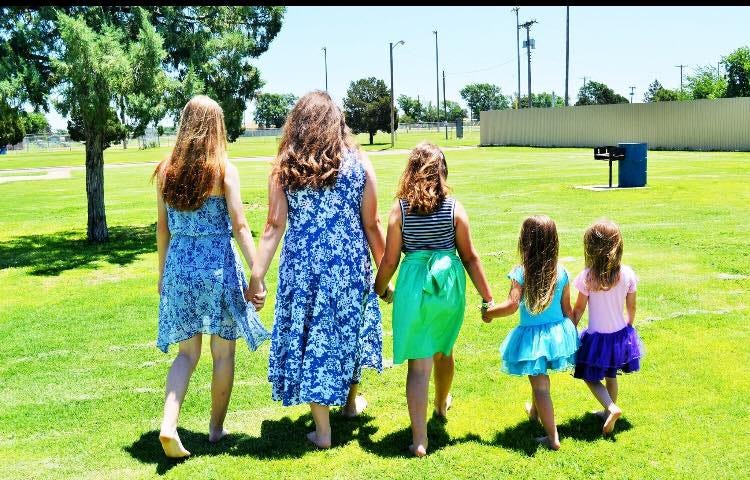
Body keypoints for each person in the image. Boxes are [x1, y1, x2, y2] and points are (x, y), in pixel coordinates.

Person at [246, 90, 387, 449]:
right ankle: (349, 403)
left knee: (313, 338)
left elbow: (274, 225)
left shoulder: (285, 167)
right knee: (347, 330)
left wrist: (257, 274)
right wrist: (387, 272)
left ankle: (325, 426)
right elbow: (371, 223)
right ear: (336, 122)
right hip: (348, 264)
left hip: (304, 266)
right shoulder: (359, 162)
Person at [153, 95, 270, 457]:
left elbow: (162, 230)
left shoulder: (165, 170)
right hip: (217, 268)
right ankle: (216, 430)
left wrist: (162, 275)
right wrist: (257, 274)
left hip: (179, 267)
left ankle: (168, 425)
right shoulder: (223, 171)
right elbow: (240, 224)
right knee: (223, 354)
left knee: (187, 354)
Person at [374, 142, 493, 457]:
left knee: (419, 364)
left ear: (410, 172)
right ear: (443, 173)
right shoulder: (455, 207)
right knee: (445, 348)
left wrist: (381, 288)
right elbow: (469, 256)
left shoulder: (399, 210)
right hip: (447, 289)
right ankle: (441, 404)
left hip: (415, 289)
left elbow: (389, 261)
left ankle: (420, 440)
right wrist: (487, 297)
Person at [481, 215, 578, 451]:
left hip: (534, 339)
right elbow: (568, 310)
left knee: (541, 385)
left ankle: (552, 437)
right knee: (539, 376)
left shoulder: (521, 273)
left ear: (525, 242)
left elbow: (512, 306)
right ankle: (535, 412)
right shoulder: (562, 272)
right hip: (556, 335)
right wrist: (573, 334)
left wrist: (490, 312)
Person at [571, 219, 643, 435]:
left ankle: (611, 408)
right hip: (620, 335)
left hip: (596, 337)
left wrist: (570, 327)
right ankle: (607, 411)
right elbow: (632, 305)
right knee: (611, 374)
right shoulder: (628, 273)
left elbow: (579, 309)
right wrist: (629, 325)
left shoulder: (588, 277)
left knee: (587, 374)